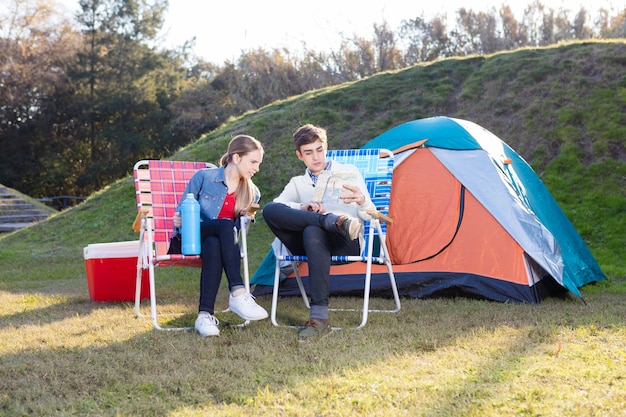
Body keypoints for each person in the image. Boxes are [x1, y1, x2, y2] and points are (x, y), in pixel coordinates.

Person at [262, 124, 375, 340]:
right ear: (299, 155)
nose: (316, 157)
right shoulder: (298, 183)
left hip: (345, 239)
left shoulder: (349, 172)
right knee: (271, 209)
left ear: (326, 148)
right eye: (308, 152)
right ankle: (329, 220)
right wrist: (302, 207)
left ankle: (319, 317)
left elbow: (371, 215)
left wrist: (362, 200)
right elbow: (278, 207)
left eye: (319, 150)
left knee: (312, 229)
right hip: (309, 243)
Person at [173, 135, 269, 337]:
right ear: (236, 157)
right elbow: (182, 214)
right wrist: (179, 219)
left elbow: (236, 233)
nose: (257, 169)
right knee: (224, 226)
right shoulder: (203, 177)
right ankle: (238, 292)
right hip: (190, 237)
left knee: (214, 243)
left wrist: (244, 219)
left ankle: (204, 316)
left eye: (259, 164)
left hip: (217, 242)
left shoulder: (253, 193)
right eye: (253, 162)